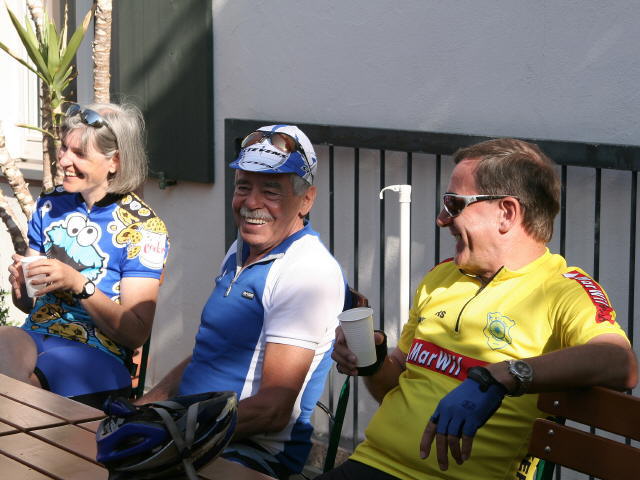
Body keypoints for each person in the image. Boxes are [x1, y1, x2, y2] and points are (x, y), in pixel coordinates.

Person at [321, 138, 638, 480]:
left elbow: (620, 363)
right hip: (371, 464)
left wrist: (503, 375)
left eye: (453, 203)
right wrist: (373, 359)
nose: (441, 219)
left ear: (506, 213)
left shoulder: (563, 290)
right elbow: (392, 387)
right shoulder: (441, 277)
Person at [141, 124, 347, 480]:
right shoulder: (241, 250)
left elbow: (272, 411)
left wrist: (172, 431)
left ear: (307, 199)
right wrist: (144, 409)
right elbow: (210, 354)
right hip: (192, 434)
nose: (252, 203)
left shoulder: (306, 270)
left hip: (249, 453)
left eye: (271, 190)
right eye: (243, 187)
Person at [0, 103, 169, 408]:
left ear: (115, 161)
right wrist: (21, 288)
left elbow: (135, 334)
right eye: (65, 147)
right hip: (36, 335)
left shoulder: (143, 228)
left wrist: (78, 284)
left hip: (98, 352)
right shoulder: (51, 205)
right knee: (4, 339)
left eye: (79, 153)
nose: (64, 160)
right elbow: (27, 306)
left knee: (27, 386)